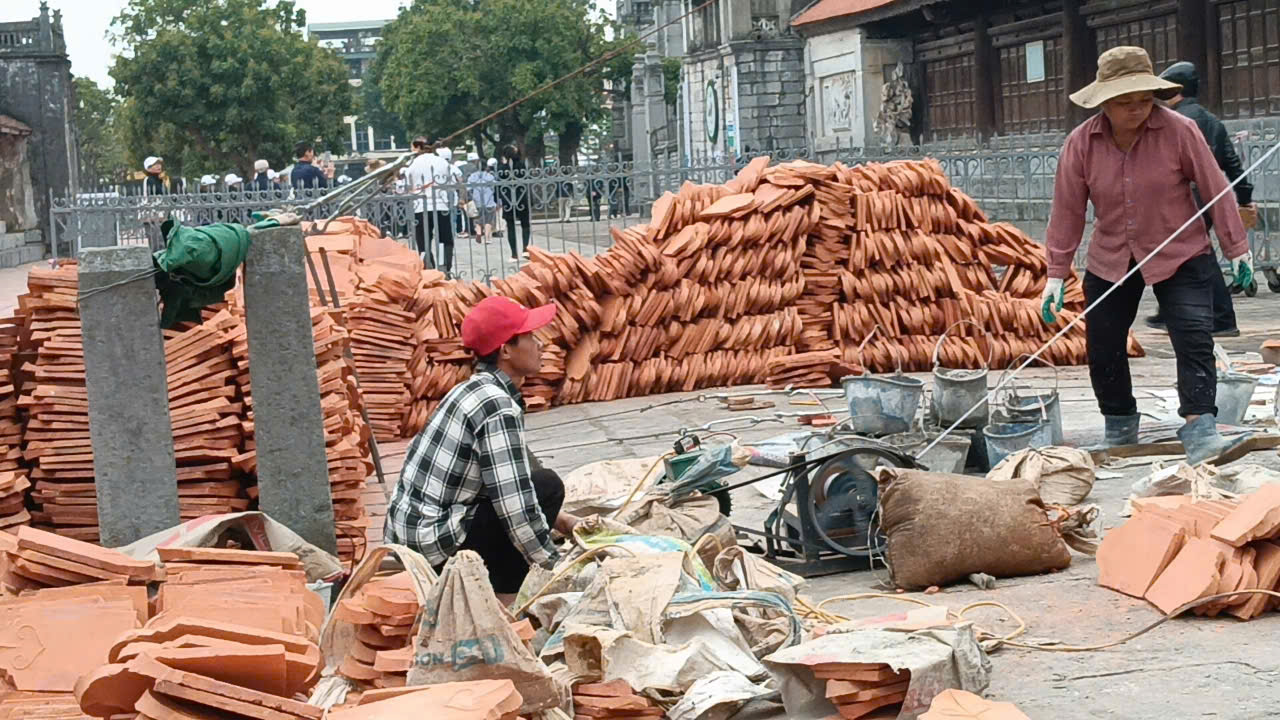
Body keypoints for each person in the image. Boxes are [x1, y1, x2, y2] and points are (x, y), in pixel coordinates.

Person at [1041, 46, 1255, 464]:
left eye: (1144, 99)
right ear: (1104, 101)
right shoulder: (1081, 144)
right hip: (1111, 255)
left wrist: (1238, 250)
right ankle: (1119, 423)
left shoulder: (1180, 131)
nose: (1137, 109)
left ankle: (1200, 427)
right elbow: (1067, 210)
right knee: (1103, 343)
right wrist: (1055, 273)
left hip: (1181, 250)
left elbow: (1215, 188)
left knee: (1193, 335)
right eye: (1125, 102)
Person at [383, 296, 581, 600]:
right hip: (431, 549)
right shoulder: (497, 406)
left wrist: (565, 522)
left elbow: (509, 474)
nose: (540, 343)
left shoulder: (472, 388)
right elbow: (515, 506)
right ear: (505, 350)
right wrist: (555, 568)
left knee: (534, 488)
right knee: (547, 488)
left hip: (409, 536)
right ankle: (506, 599)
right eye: (529, 336)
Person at [1143, 61, 1258, 337]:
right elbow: (1232, 164)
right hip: (1208, 197)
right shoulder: (1213, 121)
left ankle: (1222, 318)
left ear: (1177, 89)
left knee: (1198, 258)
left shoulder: (1171, 123)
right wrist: (1244, 198)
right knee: (1183, 256)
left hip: (1182, 199)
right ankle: (1172, 313)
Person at [404, 136, 456, 274]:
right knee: (446, 239)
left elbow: (408, 186)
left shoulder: (413, 164)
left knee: (423, 241)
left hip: (420, 206)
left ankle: (430, 268)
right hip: (441, 205)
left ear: (418, 147)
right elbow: (448, 182)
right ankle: (445, 267)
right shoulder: (442, 162)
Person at [497, 145, 533, 261]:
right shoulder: (522, 165)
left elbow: (498, 184)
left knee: (511, 226)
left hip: (507, 200)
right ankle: (525, 249)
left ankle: (514, 254)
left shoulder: (502, 168)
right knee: (525, 225)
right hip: (522, 198)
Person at [467, 158, 499, 244]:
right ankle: (487, 238)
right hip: (489, 201)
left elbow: (468, 188)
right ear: (486, 167)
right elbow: (494, 187)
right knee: (489, 220)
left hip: (477, 201)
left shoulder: (472, 176)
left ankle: (478, 232)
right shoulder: (489, 176)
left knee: (478, 219)